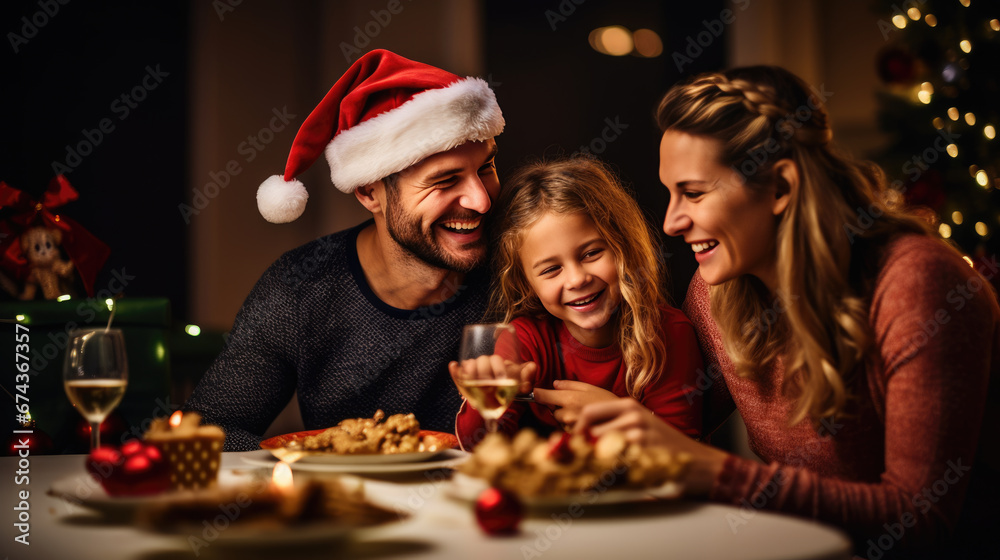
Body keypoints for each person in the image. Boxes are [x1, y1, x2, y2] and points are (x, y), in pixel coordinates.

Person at [576, 66, 998, 558]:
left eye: (692, 192)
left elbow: (921, 522)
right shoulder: (715, 294)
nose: (671, 222)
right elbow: (667, 434)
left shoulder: (917, 283)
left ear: (779, 187)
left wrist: (714, 472)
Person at [184, 49, 505, 451]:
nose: (481, 201)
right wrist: (312, 472)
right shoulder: (301, 286)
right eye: (445, 181)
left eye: (486, 168)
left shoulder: (522, 262)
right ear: (370, 193)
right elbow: (210, 432)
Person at [454, 157, 703, 449]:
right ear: (527, 285)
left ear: (623, 246)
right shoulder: (525, 339)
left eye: (591, 254)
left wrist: (617, 421)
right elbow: (479, 446)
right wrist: (486, 400)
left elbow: (684, 458)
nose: (576, 279)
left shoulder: (667, 334)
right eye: (550, 270)